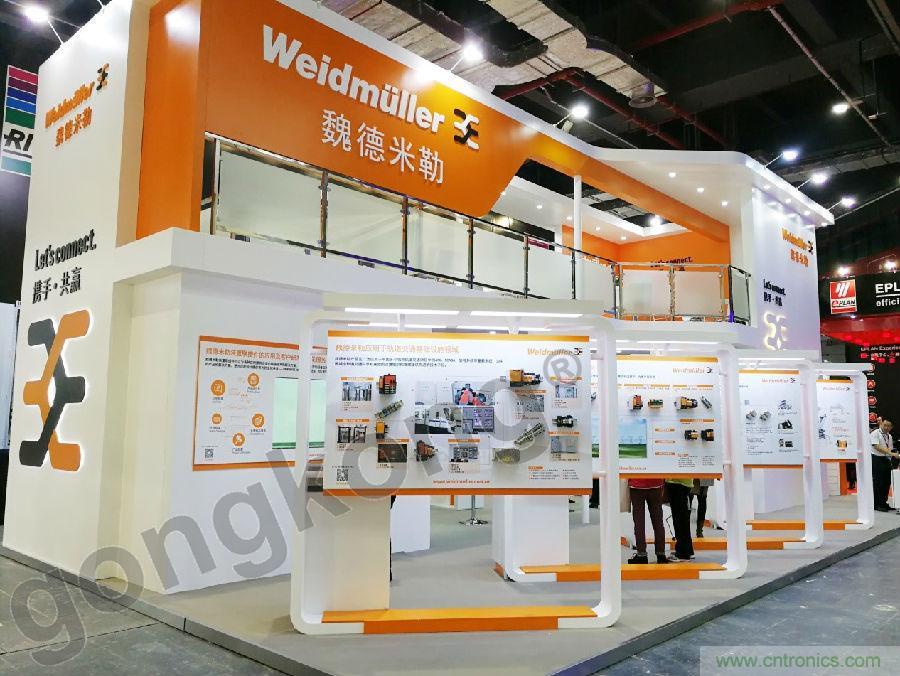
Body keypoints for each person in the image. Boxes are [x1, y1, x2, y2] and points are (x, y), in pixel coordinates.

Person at [627, 477, 668, 564]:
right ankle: (661, 554)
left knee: (639, 522)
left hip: (637, 485)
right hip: (656, 484)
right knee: (658, 521)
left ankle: (642, 555)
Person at [870, 419, 900, 512]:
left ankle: (883, 503)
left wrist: (893, 455)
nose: (886, 427)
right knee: (878, 482)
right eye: (884, 425)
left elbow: (889, 449)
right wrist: (892, 454)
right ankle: (877, 504)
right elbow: (877, 446)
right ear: (881, 424)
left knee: (886, 482)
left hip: (886, 460)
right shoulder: (875, 433)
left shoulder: (889, 436)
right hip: (876, 459)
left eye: (888, 426)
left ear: (891, 427)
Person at [665, 477, 695, 561]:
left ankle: (682, 553)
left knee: (679, 520)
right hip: (685, 482)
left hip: (676, 482)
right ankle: (687, 550)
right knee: (683, 518)